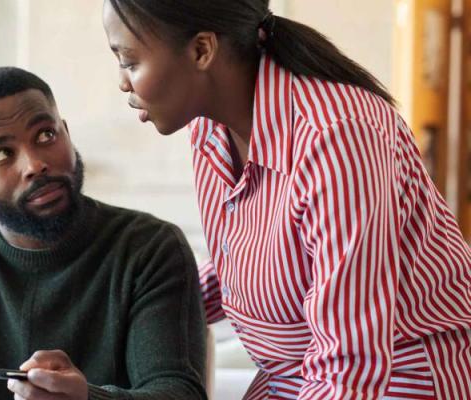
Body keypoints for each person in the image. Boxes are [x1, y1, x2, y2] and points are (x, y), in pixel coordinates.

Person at [95, 1, 471, 399]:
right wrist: (139, 306)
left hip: (400, 375)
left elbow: (350, 365)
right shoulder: (208, 131)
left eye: (129, 62)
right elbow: (248, 265)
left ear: (202, 50)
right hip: (294, 376)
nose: (122, 82)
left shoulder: (337, 136)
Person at [0, 67, 208, 400]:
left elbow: (179, 393)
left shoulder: (149, 248)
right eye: (3, 154)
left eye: (45, 135)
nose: (34, 164)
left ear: (65, 132)